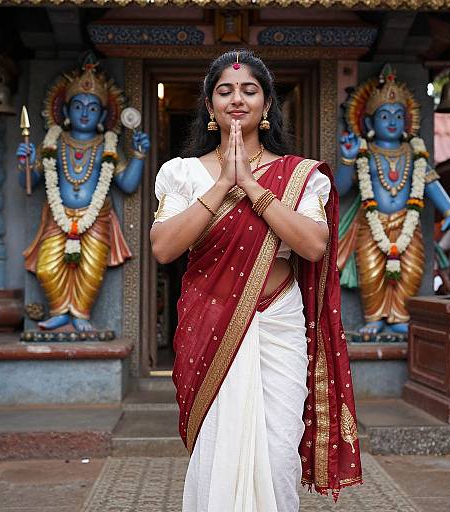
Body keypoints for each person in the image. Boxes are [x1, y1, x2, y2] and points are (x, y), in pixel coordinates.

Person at [150, 50, 362, 511]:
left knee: (277, 451)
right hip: (210, 323)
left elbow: (313, 246)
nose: (237, 99)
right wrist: (223, 181)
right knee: (219, 451)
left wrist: (252, 186)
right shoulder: (182, 172)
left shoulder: (300, 176)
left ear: (267, 106)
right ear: (210, 107)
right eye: (224, 91)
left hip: (279, 326)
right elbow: (164, 248)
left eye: (249, 90)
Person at [16, 56, 150, 331]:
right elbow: (29, 182)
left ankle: (80, 314)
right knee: (46, 267)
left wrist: (138, 156)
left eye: (92, 108)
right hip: (57, 217)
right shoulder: (52, 143)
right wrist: (26, 164)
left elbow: (127, 184)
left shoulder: (108, 145)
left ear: (103, 115)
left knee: (91, 269)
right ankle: (59, 311)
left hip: (96, 218)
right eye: (78, 106)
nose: (85, 113)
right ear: (65, 111)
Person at [337, 66, 450, 336]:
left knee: (412, 268)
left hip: (408, 222)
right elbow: (341, 188)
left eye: (397, 115)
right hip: (371, 227)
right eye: (384, 115)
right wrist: (347, 158)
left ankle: (400, 316)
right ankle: (374, 318)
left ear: (406, 121)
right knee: (370, 271)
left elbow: (431, 183)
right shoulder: (365, 153)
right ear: (370, 123)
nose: (392, 121)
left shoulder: (415, 154)